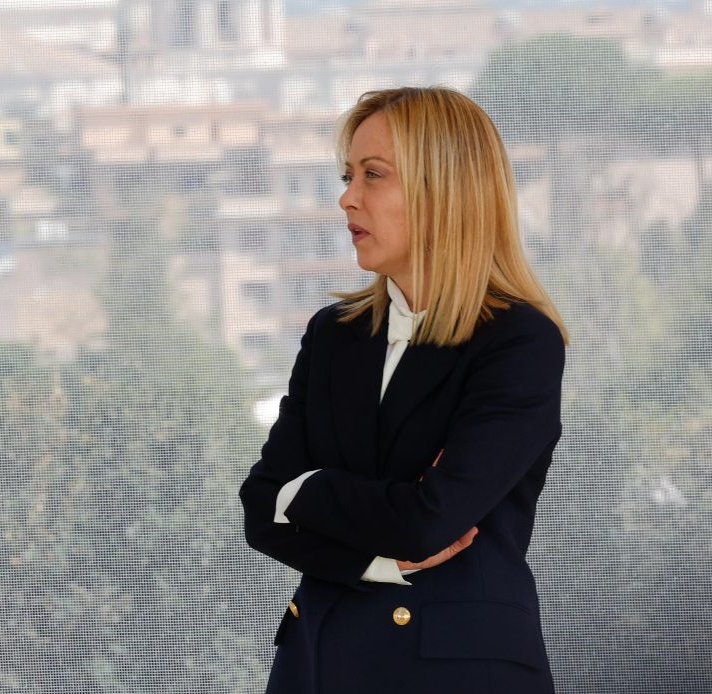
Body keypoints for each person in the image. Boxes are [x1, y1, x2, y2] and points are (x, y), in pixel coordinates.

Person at [240, 86, 567, 694]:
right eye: (348, 176)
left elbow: (428, 522)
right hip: (316, 664)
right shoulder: (334, 334)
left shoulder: (519, 341)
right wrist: (370, 550)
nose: (347, 197)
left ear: (445, 191)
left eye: (373, 174)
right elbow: (261, 509)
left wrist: (306, 490)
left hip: (455, 673)